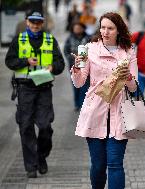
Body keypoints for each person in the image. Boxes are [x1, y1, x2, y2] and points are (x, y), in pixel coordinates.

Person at [70, 12, 137, 189]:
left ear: (118, 30)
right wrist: (77, 67)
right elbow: (79, 83)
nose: (106, 31)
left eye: (110, 28)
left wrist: (128, 77)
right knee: (98, 166)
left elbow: (134, 87)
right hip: (94, 112)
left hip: (119, 114)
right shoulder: (90, 49)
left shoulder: (128, 52)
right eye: (103, 27)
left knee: (115, 164)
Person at [5, 11, 65, 178]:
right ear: (27, 22)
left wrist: (53, 66)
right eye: (32, 21)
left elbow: (60, 63)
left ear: (43, 23)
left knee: (45, 126)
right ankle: (31, 166)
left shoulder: (50, 40)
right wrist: (25, 61)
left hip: (44, 88)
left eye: (38, 22)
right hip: (25, 89)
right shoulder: (19, 40)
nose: (36, 24)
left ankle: (41, 156)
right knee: (26, 127)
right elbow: (9, 61)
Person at [64, 22, 91, 111]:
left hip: (86, 66)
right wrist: (72, 58)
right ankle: (76, 104)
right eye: (76, 28)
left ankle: (83, 103)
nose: (77, 30)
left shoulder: (88, 38)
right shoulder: (70, 39)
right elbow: (66, 51)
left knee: (85, 85)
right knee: (75, 85)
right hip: (74, 65)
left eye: (79, 28)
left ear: (83, 28)